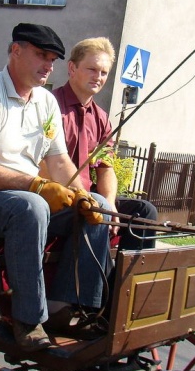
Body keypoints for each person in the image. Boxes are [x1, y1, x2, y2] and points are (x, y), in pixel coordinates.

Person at [0, 23, 112, 352]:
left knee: (97, 206)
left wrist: (83, 197)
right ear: (16, 51)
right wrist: (36, 185)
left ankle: (69, 308)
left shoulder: (45, 102)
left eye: (53, 59)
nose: (48, 65)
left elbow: (60, 162)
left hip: (18, 196)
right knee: (31, 207)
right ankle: (28, 320)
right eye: (41, 56)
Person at [52, 37, 159, 250]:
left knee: (144, 211)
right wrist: (96, 203)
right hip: (60, 194)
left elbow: (105, 168)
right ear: (72, 68)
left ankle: (125, 281)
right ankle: (95, 282)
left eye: (104, 73)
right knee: (96, 207)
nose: (98, 77)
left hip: (91, 196)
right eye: (92, 69)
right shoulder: (51, 106)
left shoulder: (101, 118)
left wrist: (110, 202)